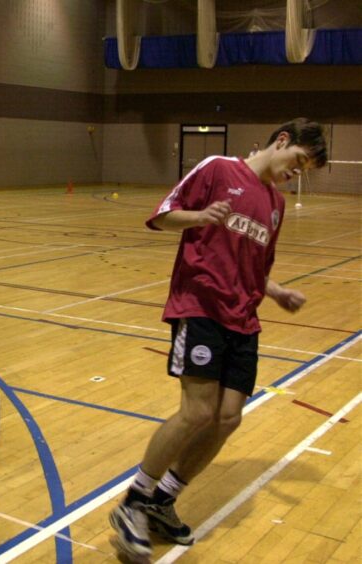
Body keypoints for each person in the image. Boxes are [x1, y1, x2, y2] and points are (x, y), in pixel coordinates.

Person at [109, 118, 327, 559]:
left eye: (304, 171)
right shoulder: (218, 168)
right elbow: (162, 216)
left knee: (228, 417)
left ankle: (161, 501)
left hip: (243, 318)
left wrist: (276, 289)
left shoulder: (275, 204)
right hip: (201, 307)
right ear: (282, 141)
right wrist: (201, 216)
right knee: (197, 412)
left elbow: (258, 265)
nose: (296, 172)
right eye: (298, 161)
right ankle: (134, 500)